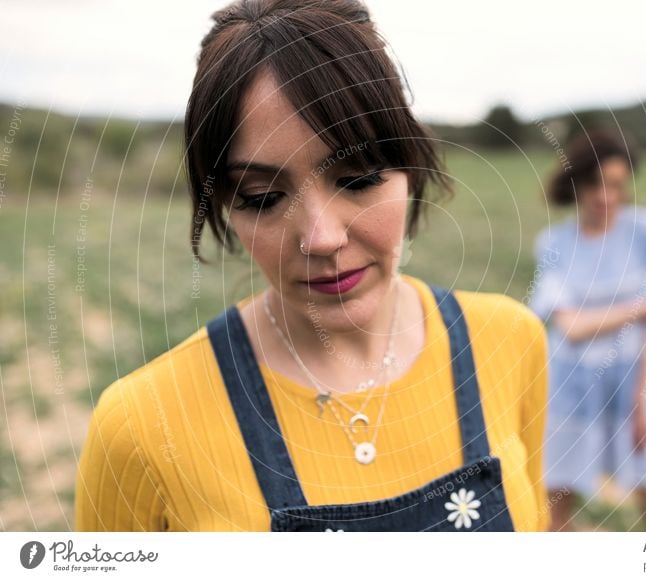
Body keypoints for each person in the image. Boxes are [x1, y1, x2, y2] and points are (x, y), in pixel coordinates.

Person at [74, 0, 549, 532]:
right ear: (225, 205)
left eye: (358, 177)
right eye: (262, 196)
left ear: (410, 164)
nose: (321, 238)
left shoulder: (510, 342)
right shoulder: (142, 426)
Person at [529, 129, 646, 531]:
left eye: (617, 185)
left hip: (639, 385)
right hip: (572, 388)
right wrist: (641, 306)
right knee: (550, 514)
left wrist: (642, 401)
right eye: (595, 184)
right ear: (577, 185)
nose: (606, 196)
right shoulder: (554, 243)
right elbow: (570, 328)